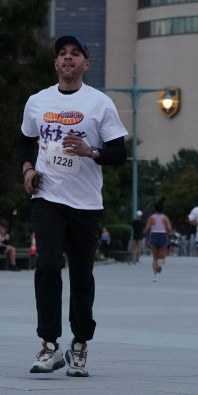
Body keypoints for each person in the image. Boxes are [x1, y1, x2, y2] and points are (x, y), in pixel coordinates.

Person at [18, 34, 127, 377]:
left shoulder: (100, 103)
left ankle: (79, 344)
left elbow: (119, 153)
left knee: (81, 275)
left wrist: (90, 151)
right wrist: (28, 169)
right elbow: (25, 140)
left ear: (85, 63)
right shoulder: (37, 101)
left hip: (86, 203)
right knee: (48, 265)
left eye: (75, 54)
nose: (68, 58)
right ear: (56, 63)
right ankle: (49, 344)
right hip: (47, 196)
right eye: (63, 54)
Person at [144, 200, 173, 282]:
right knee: (162, 255)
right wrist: (168, 231)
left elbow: (147, 228)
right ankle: (160, 264)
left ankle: (155, 276)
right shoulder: (165, 218)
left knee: (155, 257)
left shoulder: (151, 218)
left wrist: (145, 232)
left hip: (154, 235)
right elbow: (169, 228)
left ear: (155, 209)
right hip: (162, 235)